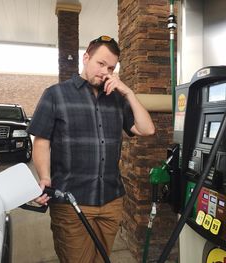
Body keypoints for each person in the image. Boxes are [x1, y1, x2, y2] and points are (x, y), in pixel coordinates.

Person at [28, 35, 155, 263]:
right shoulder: (55, 95)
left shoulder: (117, 98)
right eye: (100, 63)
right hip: (71, 201)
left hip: (111, 200)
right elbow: (41, 141)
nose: (105, 71)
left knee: (101, 259)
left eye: (111, 67)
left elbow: (146, 130)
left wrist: (129, 93)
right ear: (86, 58)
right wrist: (45, 177)